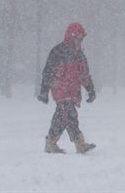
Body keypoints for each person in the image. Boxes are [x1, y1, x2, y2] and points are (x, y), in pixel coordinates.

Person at [37, 22, 97, 154]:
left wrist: (90, 89)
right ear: (71, 37)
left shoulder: (79, 55)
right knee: (69, 114)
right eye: (78, 38)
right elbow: (48, 72)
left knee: (63, 117)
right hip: (61, 90)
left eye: (81, 39)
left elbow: (84, 74)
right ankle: (79, 143)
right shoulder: (58, 51)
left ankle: (51, 143)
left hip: (73, 91)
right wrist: (44, 91)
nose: (80, 41)